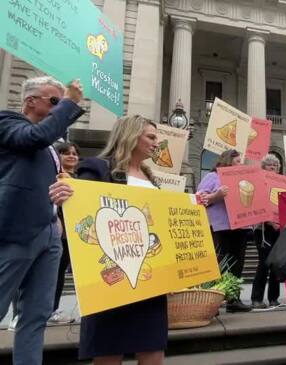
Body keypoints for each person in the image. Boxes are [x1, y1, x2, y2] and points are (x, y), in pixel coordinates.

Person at [49, 115, 167, 364]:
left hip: (148, 278)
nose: (157, 143)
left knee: (154, 350)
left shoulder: (151, 177)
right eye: (151, 137)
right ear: (131, 136)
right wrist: (67, 193)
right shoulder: (98, 167)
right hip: (110, 279)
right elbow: (81, 210)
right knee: (108, 353)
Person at [0, 76, 83, 365]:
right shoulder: (7, 122)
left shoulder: (51, 147)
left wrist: (60, 207)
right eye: (54, 101)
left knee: (37, 314)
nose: (59, 107)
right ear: (30, 100)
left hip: (49, 234)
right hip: (18, 232)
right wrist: (70, 103)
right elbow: (33, 138)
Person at [197, 149, 252, 312]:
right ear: (227, 161)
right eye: (237, 161)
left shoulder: (243, 179)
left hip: (240, 227)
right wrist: (217, 195)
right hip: (220, 228)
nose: (240, 164)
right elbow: (198, 199)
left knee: (237, 265)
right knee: (220, 264)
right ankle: (214, 300)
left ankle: (233, 300)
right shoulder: (212, 177)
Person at [48, 142, 81, 325]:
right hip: (55, 232)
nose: (71, 156)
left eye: (75, 153)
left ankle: (53, 309)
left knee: (60, 273)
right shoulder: (52, 176)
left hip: (72, 235)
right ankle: (47, 309)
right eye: (66, 153)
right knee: (52, 273)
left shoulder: (81, 179)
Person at [251, 154, 282, 309]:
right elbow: (257, 207)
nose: (272, 168)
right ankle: (256, 298)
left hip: (278, 229)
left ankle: (273, 298)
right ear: (263, 168)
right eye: (269, 165)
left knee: (276, 264)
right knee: (264, 263)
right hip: (262, 229)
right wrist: (271, 222)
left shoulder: (281, 185)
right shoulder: (259, 184)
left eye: (275, 166)